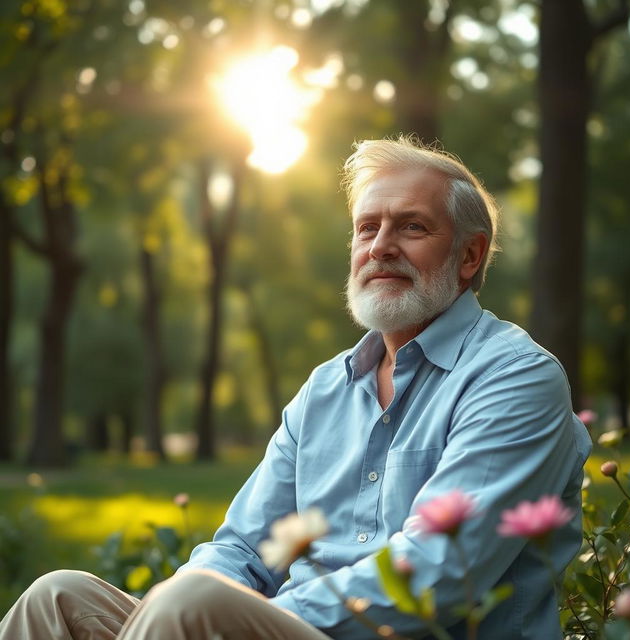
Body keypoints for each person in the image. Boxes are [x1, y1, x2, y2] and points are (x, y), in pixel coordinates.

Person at [0, 136, 592, 640]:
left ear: (470, 256)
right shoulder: (326, 390)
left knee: (191, 607)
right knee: (58, 599)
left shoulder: (514, 376)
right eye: (367, 228)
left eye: (412, 227)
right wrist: (193, 605)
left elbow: (438, 573)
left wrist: (234, 620)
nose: (380, 245)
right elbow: (245, 549)